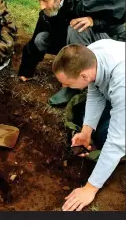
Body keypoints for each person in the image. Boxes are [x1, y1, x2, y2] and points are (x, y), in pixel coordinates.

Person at [18, 0, 125, 106]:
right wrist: (26, 69)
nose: (41, 6)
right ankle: (72, 73)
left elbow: (122, 8)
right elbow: (36, 37)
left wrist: (94, 21)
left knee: (77, 28)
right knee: (42, 38)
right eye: (39, 0)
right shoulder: (49, 10)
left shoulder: (86, 0)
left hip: (112, 42)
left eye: (45, 0)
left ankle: (74, 86)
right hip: (77, 42)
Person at [52, 40, 125, 211]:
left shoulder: (122, 85)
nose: (64, 87)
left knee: (108, 137)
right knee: (92, 126)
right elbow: (95, 90)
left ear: (83, 75)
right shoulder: (90, 54)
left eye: (68, 84)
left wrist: (90, 188)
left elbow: (116, 142)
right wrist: (86, 132)